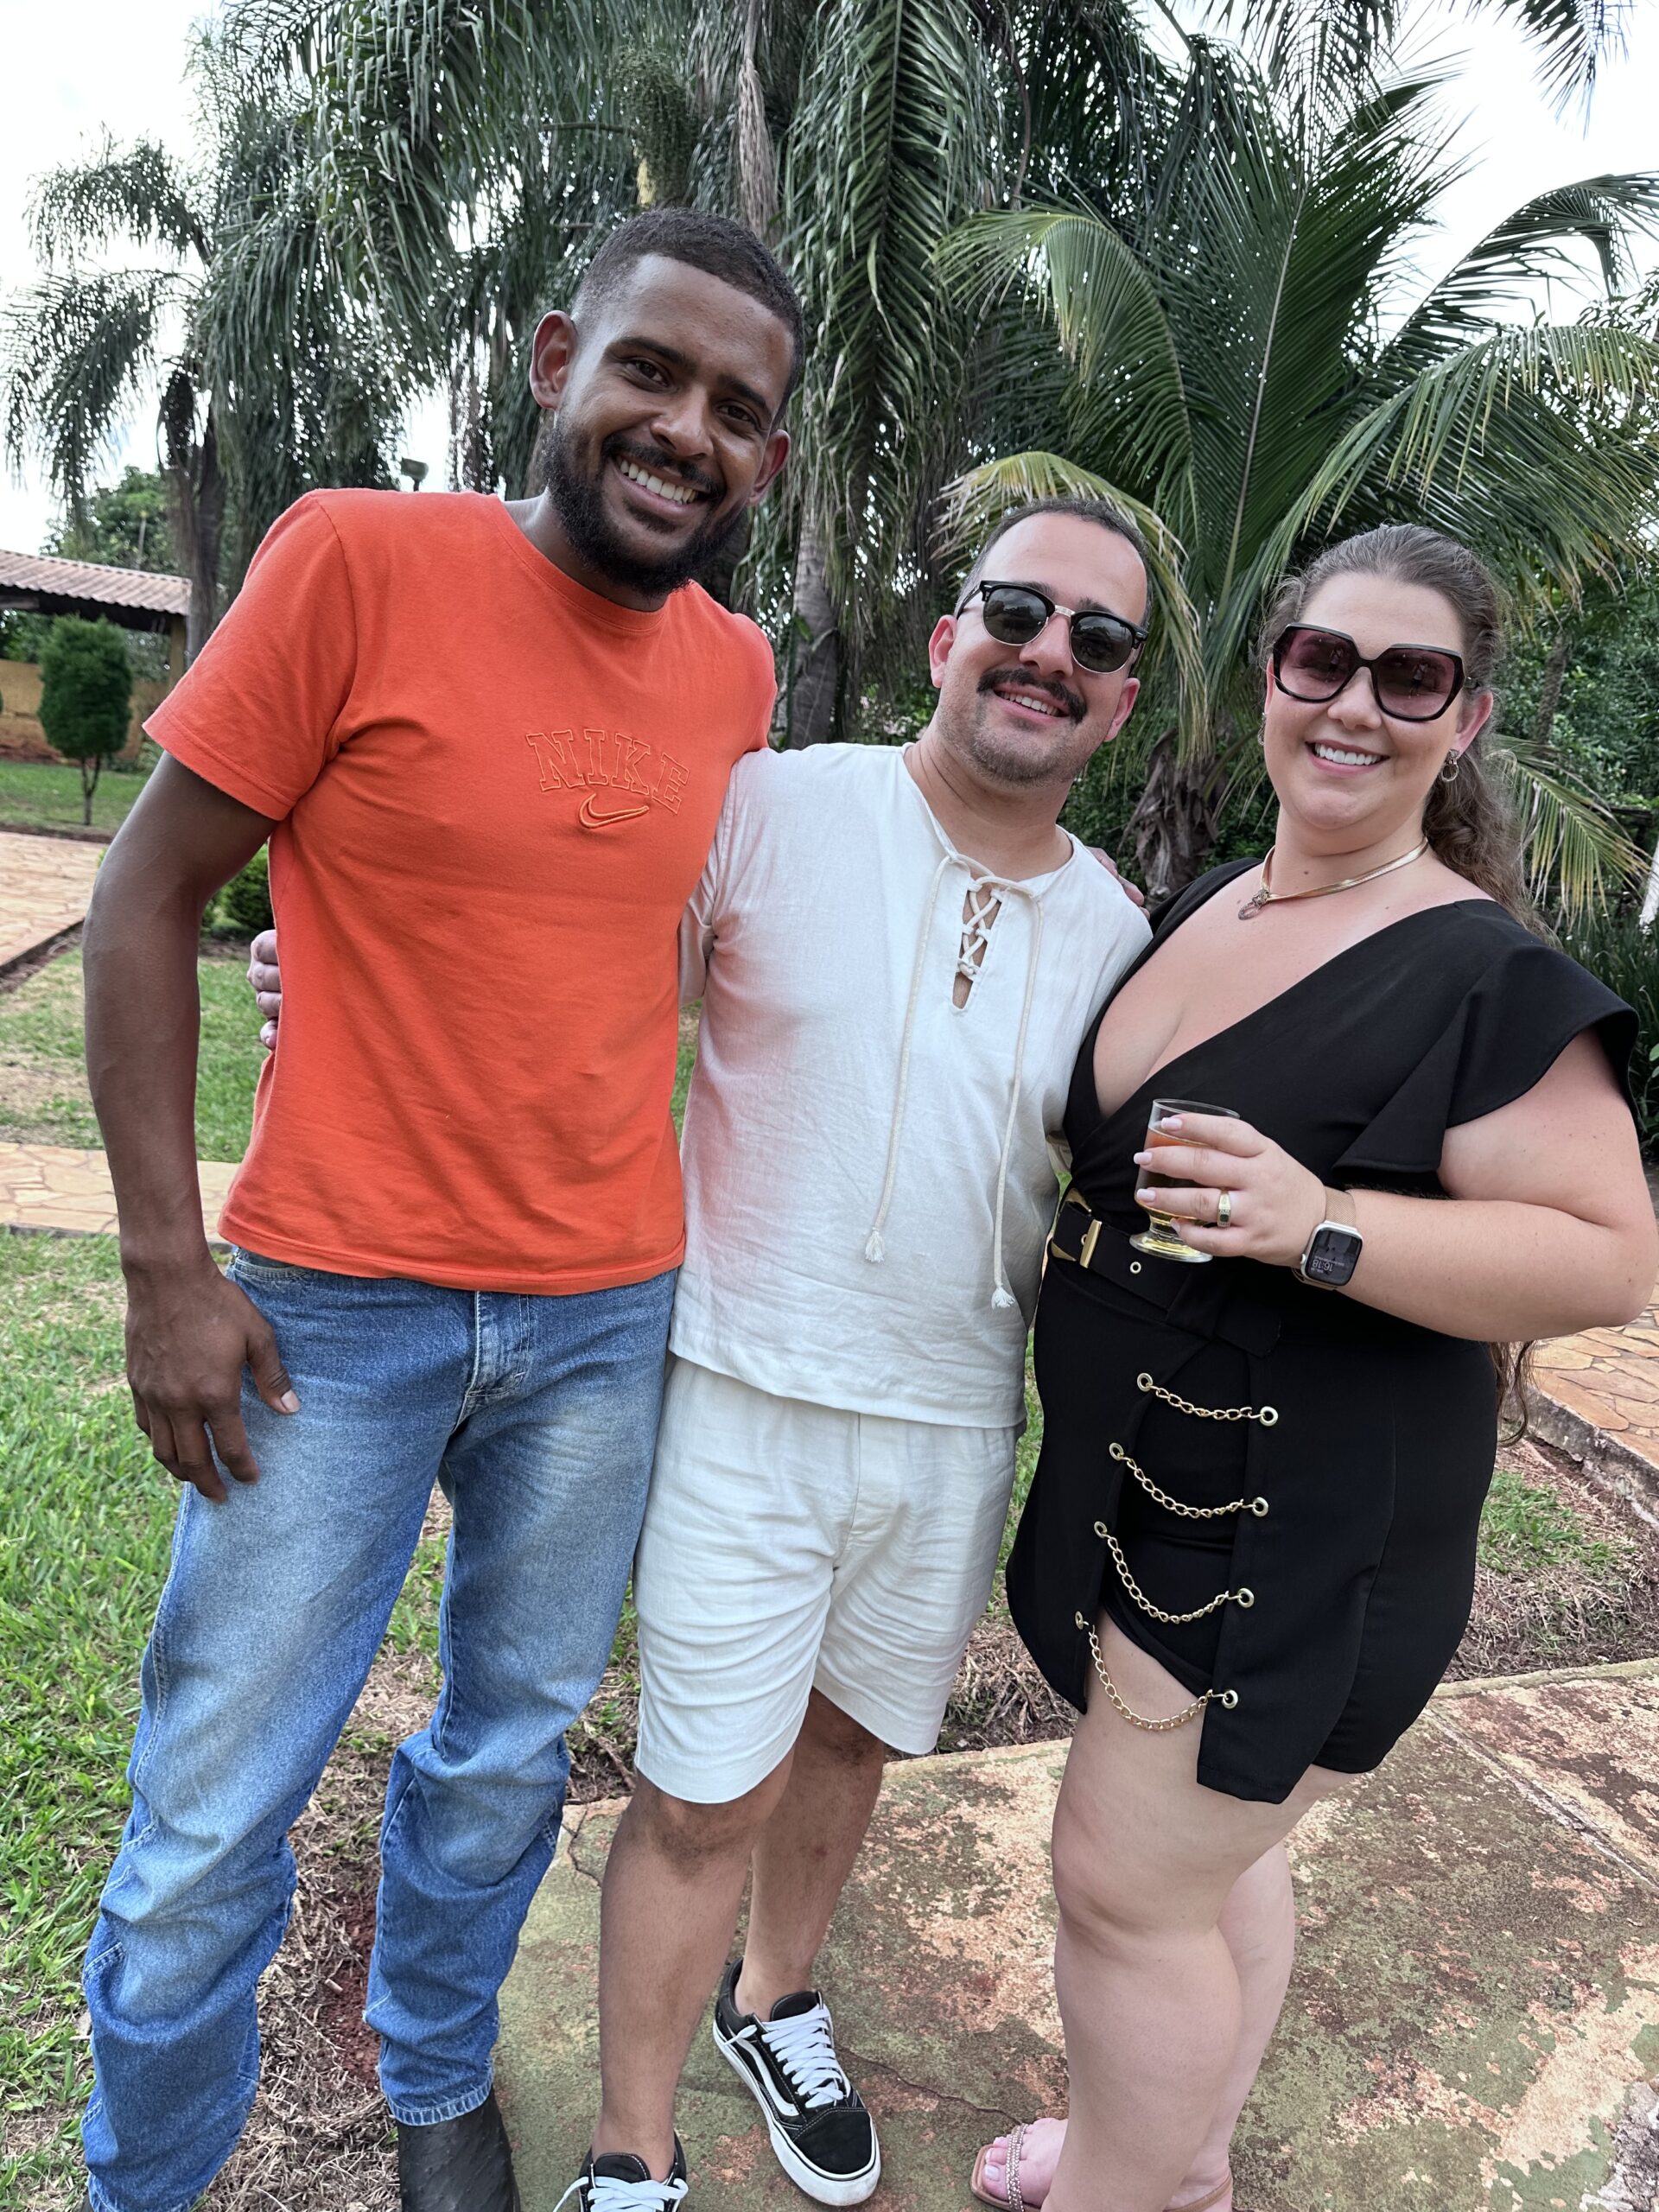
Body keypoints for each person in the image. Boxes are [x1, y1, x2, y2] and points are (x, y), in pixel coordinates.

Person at [249, 495, 1155, 2212]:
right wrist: (349, 975)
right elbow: (577, 966)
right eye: (1018, 611)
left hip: (956, 1421)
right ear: (950, 636)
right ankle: (633, 2149)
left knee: (852, 1745)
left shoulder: (1121, 937)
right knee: (697, 1793)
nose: (1049, 653)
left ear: (1118, 704)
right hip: (739, 1387)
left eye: (1095, 640)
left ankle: (777, 1996)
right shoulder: (776, 805)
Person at [73, 207, 800, 2212]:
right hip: (329, 1310)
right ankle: (144, 2183)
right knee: (212, 1817)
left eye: (737, 408)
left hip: (602, 1319)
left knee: (504, 1757)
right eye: (650, 369)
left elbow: (638, 936)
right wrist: (167, 1267)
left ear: (769, 460)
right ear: (558, 359)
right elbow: (144, 896)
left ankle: (434, 2078)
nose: (686, 428)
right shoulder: (355, 560)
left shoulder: (735, 671)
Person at [968, 523, 1655, 2212]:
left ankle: (1126, 2185)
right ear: (1272, 673)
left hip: (1292, 1531)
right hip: (1155, 1483)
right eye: (1322, 660)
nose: (1354, 704)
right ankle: (1176, 2153)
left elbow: (1610, 1255)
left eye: (1409, 677)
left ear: (1465, 719)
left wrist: (1324, 1223)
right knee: (1210, 1860)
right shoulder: (1215, 895)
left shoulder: (1483, 974)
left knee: (1125, 1892)